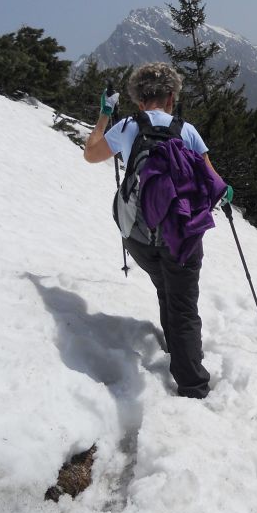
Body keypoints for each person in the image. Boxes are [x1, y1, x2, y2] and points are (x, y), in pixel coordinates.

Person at [83, 63, 231, 399]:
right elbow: (214, 182)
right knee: (183, 305)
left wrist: (105, 115)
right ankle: (193, 384)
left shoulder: (127, 126)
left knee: (165, 287)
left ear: (138, 100)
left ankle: (175, 343)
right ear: (171, 96)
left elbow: (91, 154)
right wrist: (228, 194)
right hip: (182, 236)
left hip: (137, 235)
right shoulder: (187, 130)